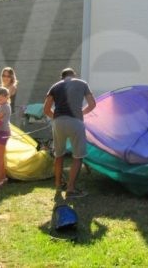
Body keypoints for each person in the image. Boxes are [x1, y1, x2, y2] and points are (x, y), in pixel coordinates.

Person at [43, 67, 96, 199]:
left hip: (58, 123)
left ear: (62, 77)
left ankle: (58, 185)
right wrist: (80, 113)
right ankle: (71, 189)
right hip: (75, 122)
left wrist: (57, 117)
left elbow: (46, 109)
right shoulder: (82, 83)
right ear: (74, 75)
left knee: (59, 155)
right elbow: (92, 104)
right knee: (78, 157)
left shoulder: (55, 86)